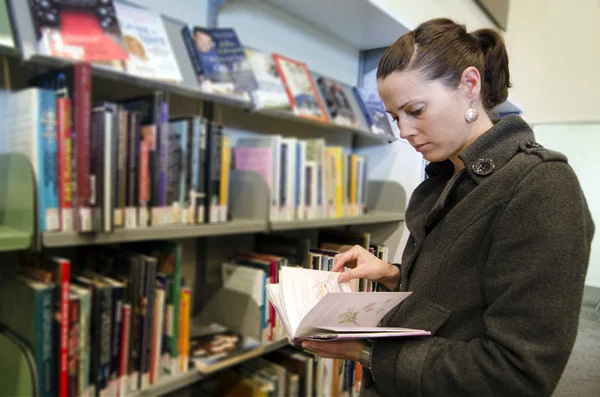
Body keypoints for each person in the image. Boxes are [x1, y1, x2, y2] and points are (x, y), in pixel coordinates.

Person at [301, 18, 595, 397]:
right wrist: (393, 275)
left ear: (469, 85)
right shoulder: (447, 176)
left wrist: (367, 351)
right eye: (395, 117)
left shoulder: (542, 186)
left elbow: (518, 374)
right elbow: (462, 296)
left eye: (416, 110)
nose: (403, 131)